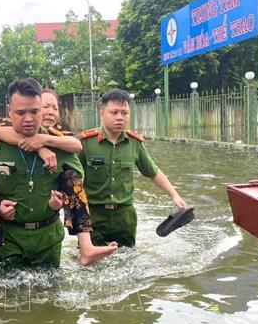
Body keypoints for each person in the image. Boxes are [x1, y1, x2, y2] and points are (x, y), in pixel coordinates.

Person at [0, 78, 117, 275]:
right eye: (21, 112)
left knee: (51, 297)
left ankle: (86, 246)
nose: (28, 118)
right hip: (9, 240)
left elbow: (78, 180)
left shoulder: (58, 145)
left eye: (34, 111)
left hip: (48, 239)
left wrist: (59, 200)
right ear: (10, 112)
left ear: (41, 110)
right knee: (6, 298)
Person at [78, 88, 188, 248]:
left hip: (124, 216)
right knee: (92, 264)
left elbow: (153, 171)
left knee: (127, 260)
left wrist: (174, 195)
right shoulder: (86, 143)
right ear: (102, 113)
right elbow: (74, 180)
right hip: (93, 214)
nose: (119, 117)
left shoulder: (135, 143)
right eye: (114, 112)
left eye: (124, 113)